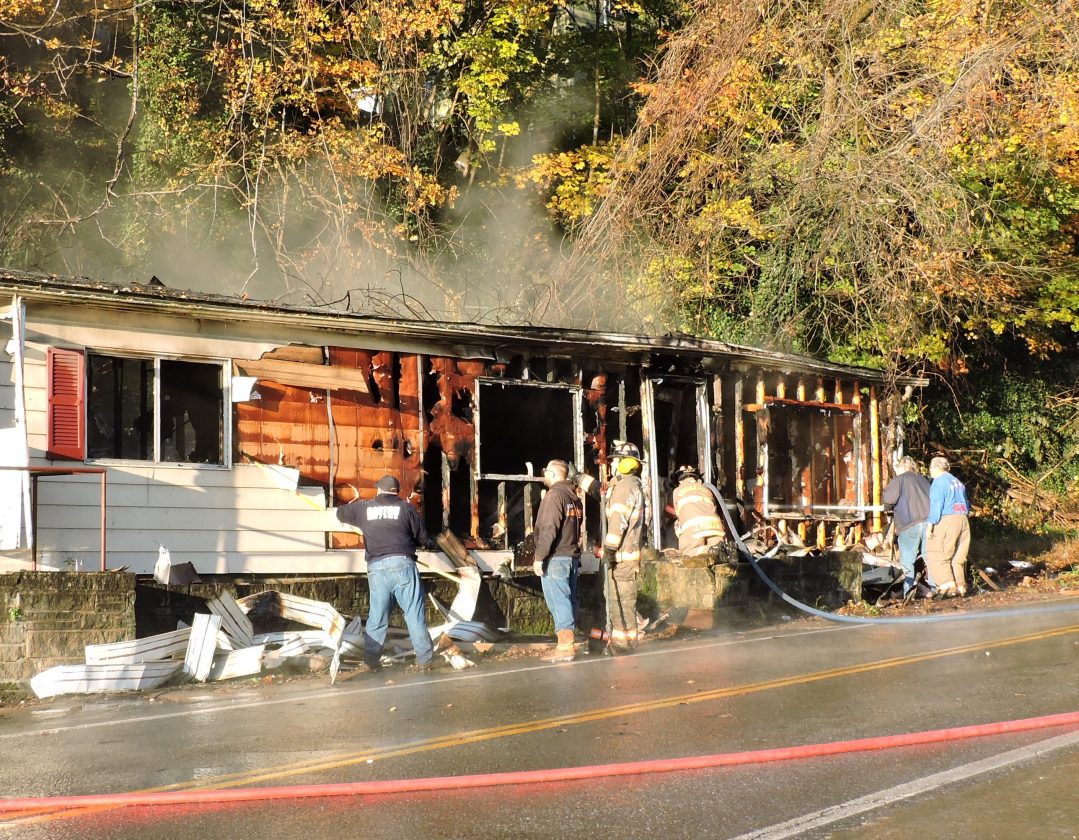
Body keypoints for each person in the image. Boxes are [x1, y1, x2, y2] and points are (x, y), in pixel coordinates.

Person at [336, 475, 435, 669]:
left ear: (380, 490)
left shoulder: (365, 508)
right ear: (396, 492)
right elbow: (423, 538)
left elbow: (340, 513)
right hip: (402, 565)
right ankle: (425, 661)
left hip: (376, 568)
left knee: (377, 617)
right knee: (414, 614)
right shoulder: (407, 509)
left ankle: (371, 662)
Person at [532, 459, 584, 660]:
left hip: (555, 557)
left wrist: (539, 557)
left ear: (553, 474)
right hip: (570, 556)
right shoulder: (573, 497)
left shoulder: (554, 496)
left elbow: (549, 529)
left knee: (558, 600)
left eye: (545, 471)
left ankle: (565, 646)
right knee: (568, 600)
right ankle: (567, 642)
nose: (544, 475)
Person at [601, 441, 646, 654]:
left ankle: (623, 645)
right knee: (622, 601)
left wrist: (609, 550)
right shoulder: (629, 484)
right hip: (626, 558)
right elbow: (602, 493)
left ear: (625, 463)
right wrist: (580, 479)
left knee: (620, 601)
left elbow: (618, 521)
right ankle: (625, 642)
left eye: (615, 460)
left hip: (621, 559)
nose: (612, 465)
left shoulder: (625, 487)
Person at [881, 455, 932, 596]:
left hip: (909, 524)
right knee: (930, 557)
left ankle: (908, 592)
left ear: (901, 467)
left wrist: (888, 509)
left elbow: (888, 501)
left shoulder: (899, 480)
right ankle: (935, 589)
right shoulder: (924, 480)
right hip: (929, 524)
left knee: (908, 561)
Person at [926, 456, 971, 597]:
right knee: (958, 557)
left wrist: (930, 526)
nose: (930, 471)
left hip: (948, 519)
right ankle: (960, 585)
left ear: (937, 468)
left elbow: (936, 506)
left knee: (937, 552)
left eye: (931, 468)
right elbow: (966, 503)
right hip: (963, 518)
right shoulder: (957, 482)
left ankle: (948, 586)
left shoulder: (939, 482)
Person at [671, 465, 725, 556]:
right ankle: (728, 550)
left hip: (694, 529)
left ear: (680, 481)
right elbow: (714, 507)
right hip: (716, 527)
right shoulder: (706, 489)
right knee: (721, 549)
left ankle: (709, 550)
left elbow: (679, 514)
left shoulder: (677, 491)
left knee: (688, 552)